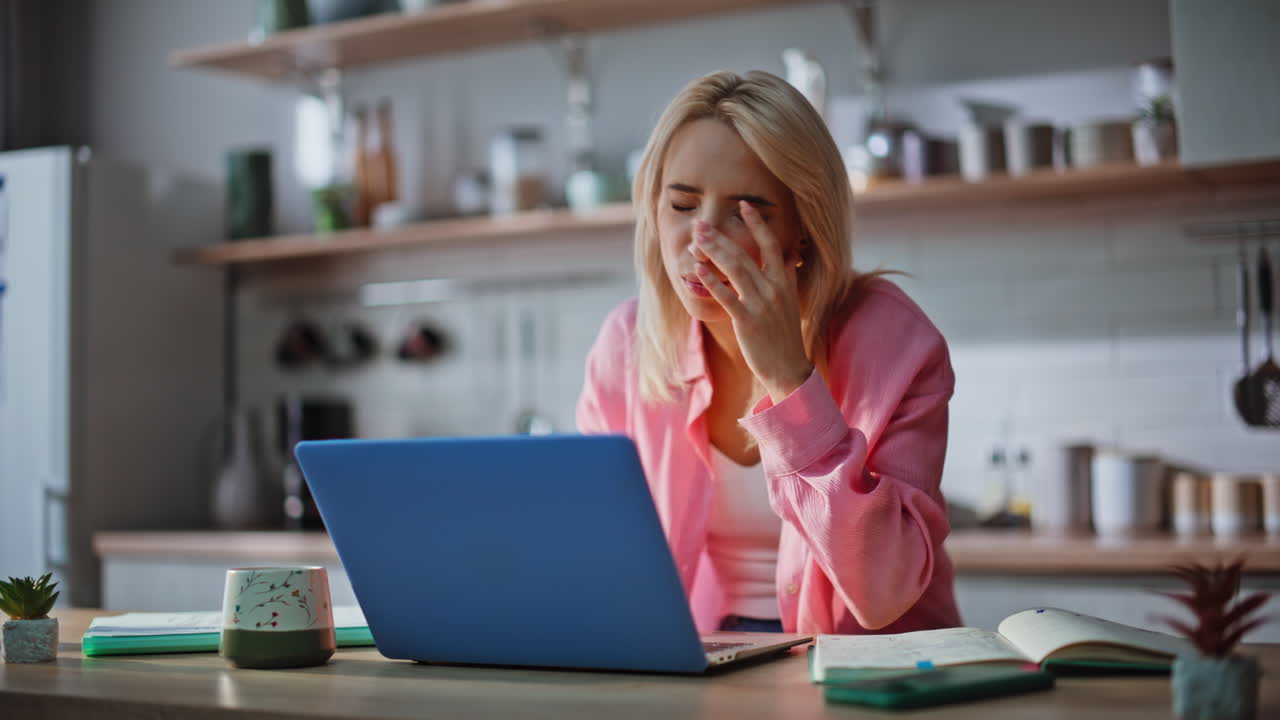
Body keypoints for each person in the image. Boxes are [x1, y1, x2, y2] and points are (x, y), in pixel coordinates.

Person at [576, 70, 961, 636]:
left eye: (744, 211)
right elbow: (597, 557)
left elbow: (885, 592)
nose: (703, 239)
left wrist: (790, 381)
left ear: (801, 231)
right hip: (716, 663)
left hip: (878, 674)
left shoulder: (894, 341)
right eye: (682, 205)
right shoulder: (627, 345)